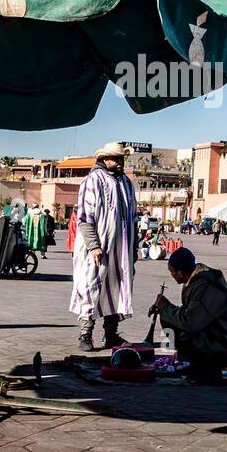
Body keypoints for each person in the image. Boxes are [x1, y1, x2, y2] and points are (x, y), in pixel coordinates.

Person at [70, 142, 137, 351]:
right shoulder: (92, 181)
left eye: (122, 159)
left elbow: (133, 217)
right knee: (91, 286)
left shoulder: (126, 183)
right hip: (98, 249)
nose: (119, 162)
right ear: (104, 159)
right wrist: (94, 246)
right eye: (116, 158)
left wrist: (133, 249)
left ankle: (111, 334)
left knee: (116, 288)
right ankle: (85, 332)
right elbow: (85, 217)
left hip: (122, 250)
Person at [154, 247, 227, 384]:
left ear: (180, 273)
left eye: (172, 272)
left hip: (223, 345)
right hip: (213, 337)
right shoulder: (195, 281)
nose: (171, 275)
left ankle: (205, 366)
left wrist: (166, 307)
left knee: (169, 317)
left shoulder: (204, 285)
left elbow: (192, 321)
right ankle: (197, 364)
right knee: (167, 316)